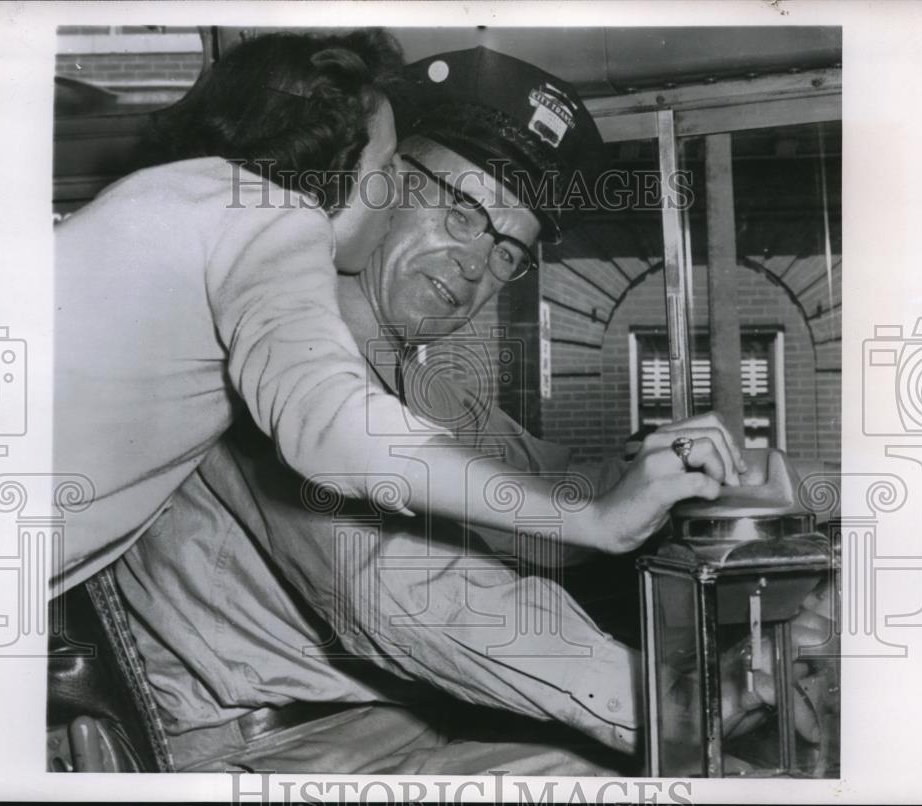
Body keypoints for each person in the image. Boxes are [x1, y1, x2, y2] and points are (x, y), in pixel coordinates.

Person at [113, 47, 766, 775]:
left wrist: (718, 480)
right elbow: (400, 586)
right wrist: (670, 698)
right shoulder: (266, 358)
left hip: (400, 728)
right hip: (277, 752)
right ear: (379, 185)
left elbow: (553, 488)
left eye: (507, 250)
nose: (475, 265)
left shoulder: (418, 387)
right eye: (461, 213)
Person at [54, 32, 730, 597]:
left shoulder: (177, 200)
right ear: (333, 161)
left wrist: (656, 467)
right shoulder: (270, 217)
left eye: (505, 253)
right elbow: (336, 433)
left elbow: (518, 461)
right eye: (387, 166)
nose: (388, 201)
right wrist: (593, 519)